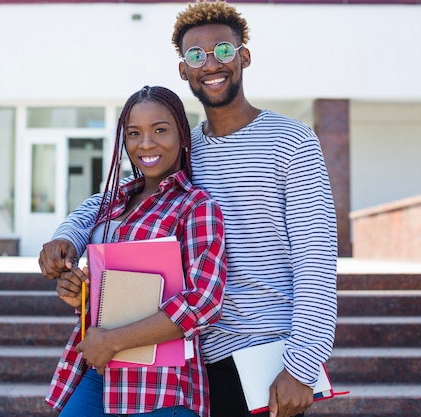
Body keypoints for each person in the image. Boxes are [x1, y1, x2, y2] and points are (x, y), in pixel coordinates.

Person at [40, 1, 338, 416]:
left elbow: (317, 261)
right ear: (184, 70)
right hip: (194, 352)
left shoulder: (291, 142)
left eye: (223, 50)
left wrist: (303, 366)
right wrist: (68, 235)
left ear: (243, 57)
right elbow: (112, 202)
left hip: (266, 351)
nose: (211, 63)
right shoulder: (185, 147)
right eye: (196, 55)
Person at [44, 85, 227, 417]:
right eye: (134, 133)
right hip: (104, 371)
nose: (146, 143)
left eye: (159, 130)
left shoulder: (196, 206)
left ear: (182, 135)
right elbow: (86, 230)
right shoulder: (116, 199)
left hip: (160, 384)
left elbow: (203, 301)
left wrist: (113, 341)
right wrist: (81, 293)